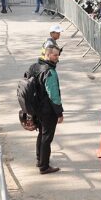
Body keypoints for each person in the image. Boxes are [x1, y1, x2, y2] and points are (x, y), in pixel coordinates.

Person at [26, 46, 64, 175]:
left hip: (36, 108)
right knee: (47, 137)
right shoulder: (49, 72)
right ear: (47, 55)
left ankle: (39, 159)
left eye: (58, 56)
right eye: (54, 55)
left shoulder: (34, 67)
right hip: (47, 110)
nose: (57, 58)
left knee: (42, 133)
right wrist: (59, 112)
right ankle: (44, 166)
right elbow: (54, 95)